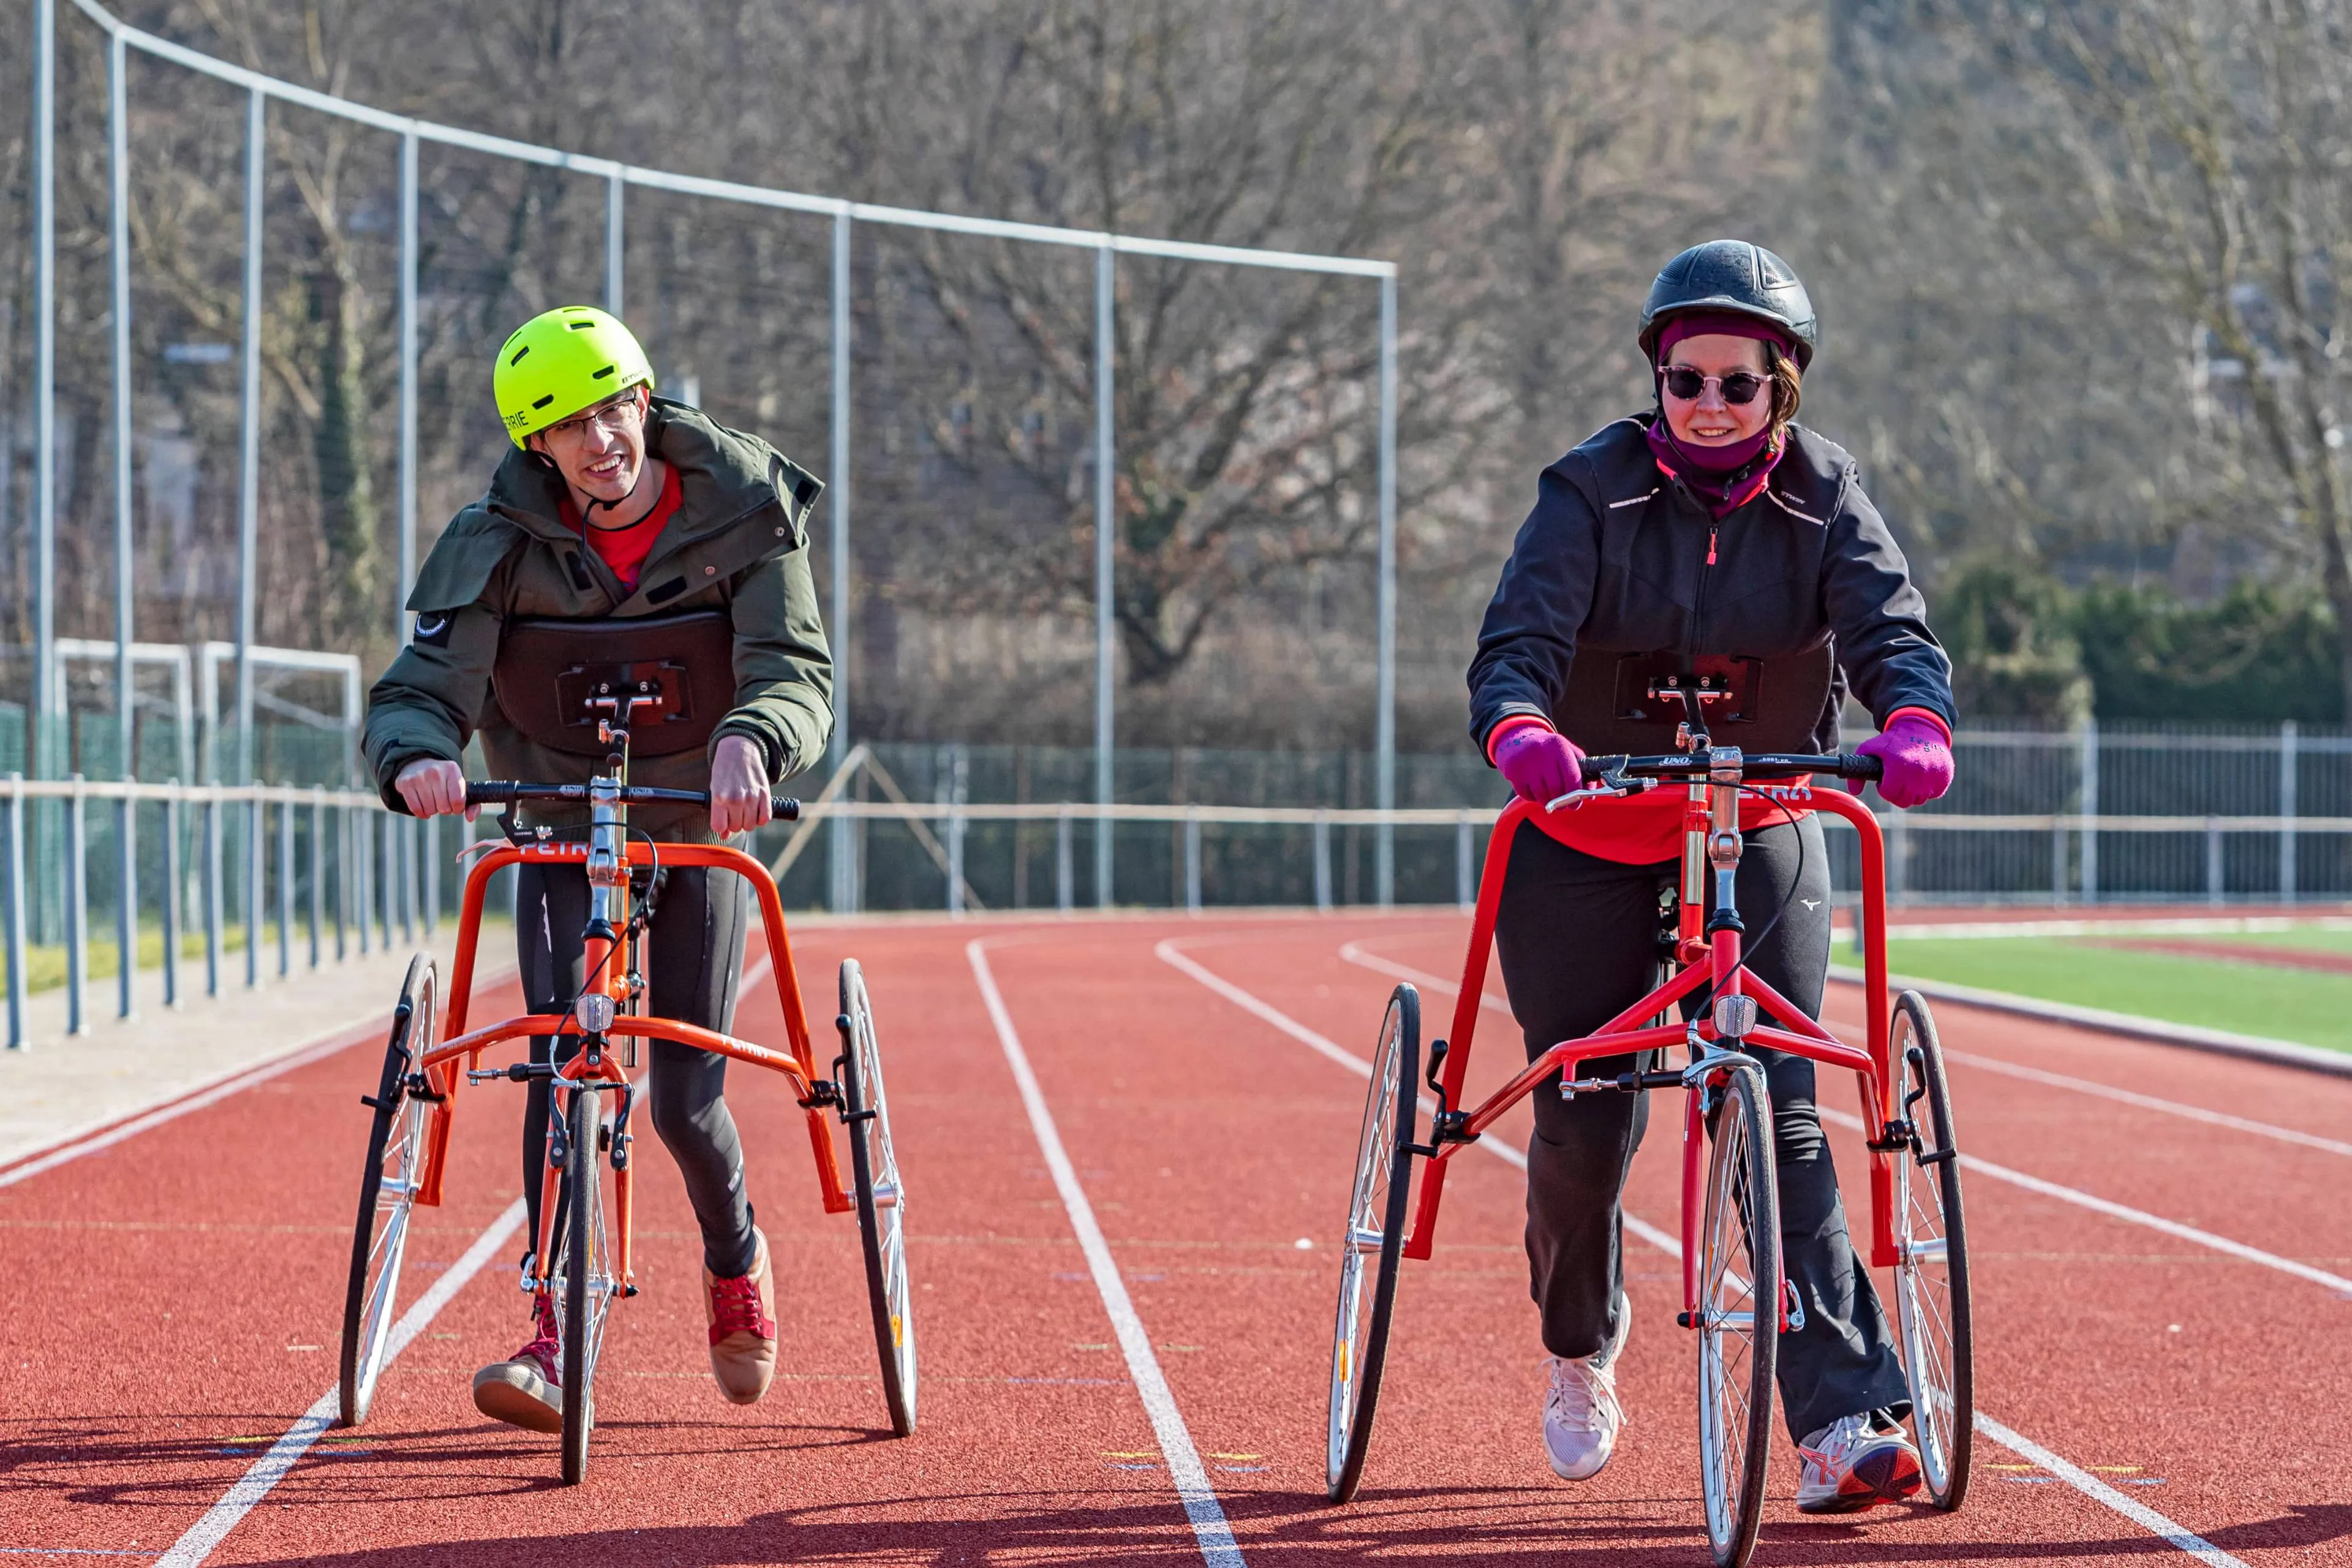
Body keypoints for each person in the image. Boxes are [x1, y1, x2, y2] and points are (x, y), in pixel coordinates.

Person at [1467, 239, 1958, 1513]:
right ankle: (1581, 1339)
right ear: (1659, 378)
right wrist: (1520, 726)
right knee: (1585, 1110)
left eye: (1740, 384)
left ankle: (1844, 1419)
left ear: (1779, 389)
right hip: (1590, 826)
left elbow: (1893, 629)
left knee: (1784, 1102)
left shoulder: (1826, 494)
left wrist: (1915, 718)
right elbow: (1518, 641)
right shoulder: (1589, 489)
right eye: (1687, 380)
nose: (1710, 405)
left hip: (1759, 816)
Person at [363, 306, 832, 1433]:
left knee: (683, 1100)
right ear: (539, 446)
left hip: (695, 826)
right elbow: (420, 689)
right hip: (563, 824)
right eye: (569, 427)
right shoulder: (494, 542)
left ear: (645, 401)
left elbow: (792, 669)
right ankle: (554, 1325)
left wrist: (754, 736)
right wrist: (418, 754)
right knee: (560, 1062)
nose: (599, 441)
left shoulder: (746, 510)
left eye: (612, 410)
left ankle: (735, 1261)